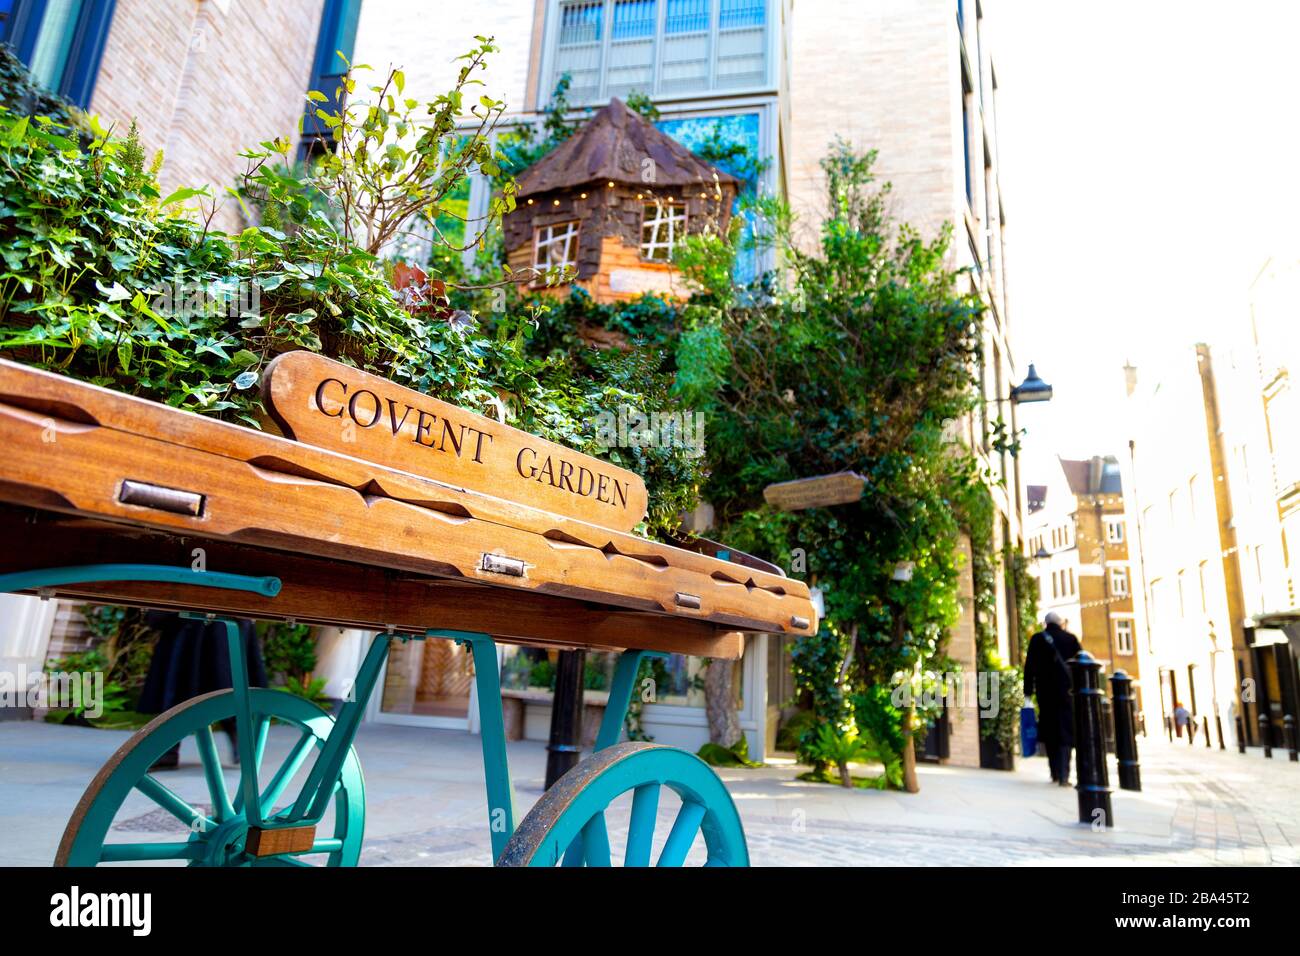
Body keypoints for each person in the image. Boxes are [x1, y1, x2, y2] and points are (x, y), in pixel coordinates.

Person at [137, 612, 266, 770]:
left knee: (224, 678)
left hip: (224, 616)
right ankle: (168, 749)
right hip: (187, 621)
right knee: (179, 682)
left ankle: (240, 739)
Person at [1023, 611, 1082, 786]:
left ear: (1045, 624)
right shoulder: (1070, 639)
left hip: (1045, 693)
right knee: (1065, 731)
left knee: (1050, 731)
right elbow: (1081, 665)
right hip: (1066, 693)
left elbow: (1029, 667)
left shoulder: (1037, 639)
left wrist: (1028, 692)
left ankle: (1054, 772)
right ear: (1060, 623)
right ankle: (1065, 774)